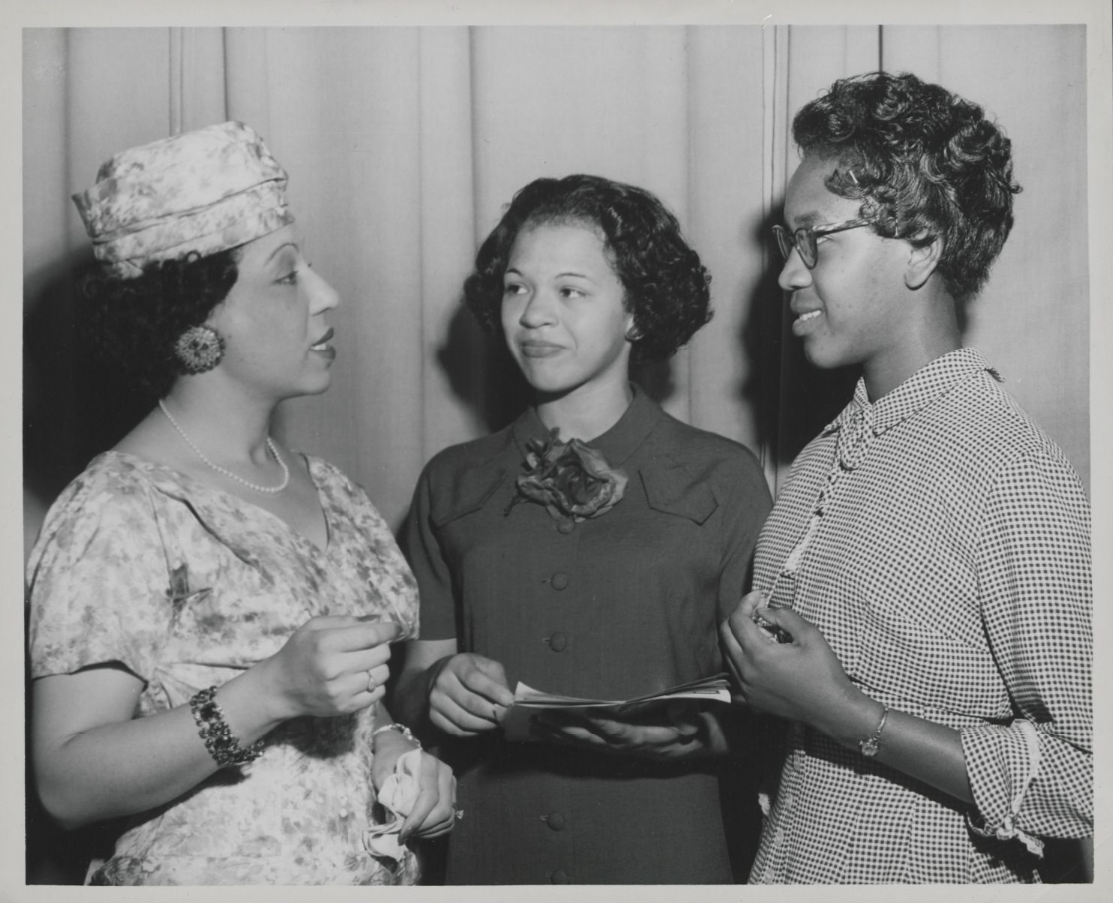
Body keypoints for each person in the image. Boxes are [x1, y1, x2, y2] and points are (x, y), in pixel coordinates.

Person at [26, 121, 456, 886]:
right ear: (197, 319)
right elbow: (66, 782)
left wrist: (395, 747)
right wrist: (266, 692)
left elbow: (351, 699)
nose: (326, 295)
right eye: (287, 276)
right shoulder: (119, 505)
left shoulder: (332, 488)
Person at [720, 72, 1092, 883]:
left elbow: (1093, 778)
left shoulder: (1009, 472)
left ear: (921, 243)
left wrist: (851, 715)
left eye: (816, 240)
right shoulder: (818, 458)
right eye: (786, 242)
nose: (787, 275)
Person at [391, 174, 773, 884]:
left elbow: (772, 710)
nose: (534, 314)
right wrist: (438, 685)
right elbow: (411, 685)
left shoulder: (724, 476)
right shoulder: (451, 480)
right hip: (491, 853)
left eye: (570, 291)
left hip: (669, 854)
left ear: (638, 312)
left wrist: (692, 735)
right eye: (516, 287)